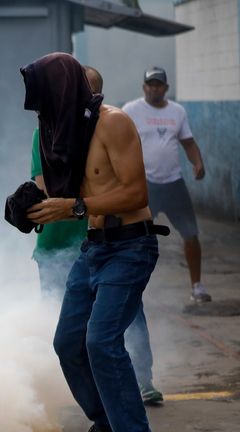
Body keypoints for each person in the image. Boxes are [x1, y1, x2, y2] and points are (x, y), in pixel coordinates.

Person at [23, 53, 167, 432]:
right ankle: (106, 422)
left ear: (65, 89)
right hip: (93, 249)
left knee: (101, 342)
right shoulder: (65, 132)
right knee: (67, 344)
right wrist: (24, 206)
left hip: (130, 246)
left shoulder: (114, 123)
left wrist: (75, 206)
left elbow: (137, 194)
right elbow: (56, 192)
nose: (44, 110)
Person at [122, 67, 210, 303]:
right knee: (133, 236)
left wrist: (198, 162)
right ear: (144, 87)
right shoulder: (131, 110)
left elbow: (188, 142)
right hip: (145, 184)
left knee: (191, 234)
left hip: (173, 183)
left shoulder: (177, 111)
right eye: (150, 84)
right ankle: (130, 285)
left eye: (158, 84)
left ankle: (197, 286)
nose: (154, 88)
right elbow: (117, 140)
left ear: (166, 88)